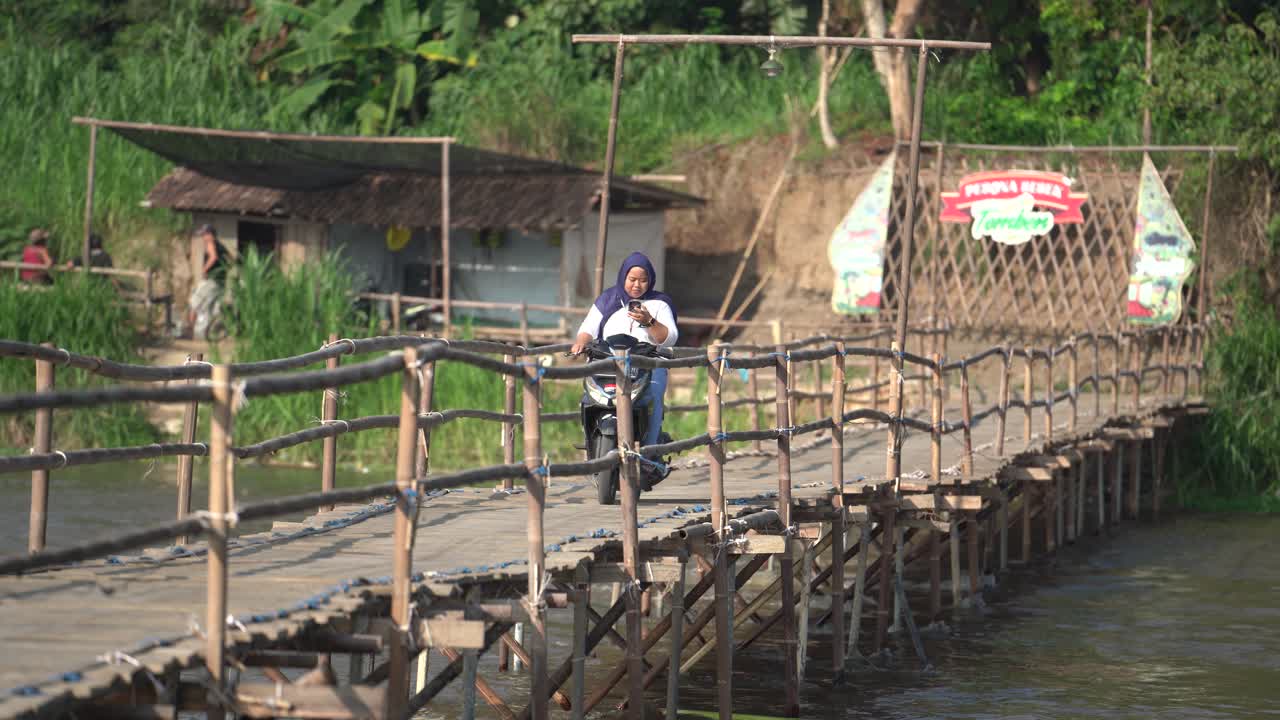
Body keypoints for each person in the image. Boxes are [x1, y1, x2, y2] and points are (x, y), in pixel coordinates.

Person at [571, 252, 679, 446]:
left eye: (643, 280)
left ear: (651, 280)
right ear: (623, 277)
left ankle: (650, 452)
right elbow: (588, 328)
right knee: (588, 396)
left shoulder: (660, 303)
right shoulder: (607, 299)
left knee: (654, 395)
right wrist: (581, 342)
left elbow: (669, 338)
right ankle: (590, 441)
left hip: (648, 366)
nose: (637, 285)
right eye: (632, 279)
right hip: (608, 365)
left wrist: (650, 322)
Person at [186, 224, 228, 338]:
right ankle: (209, 335)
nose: (203, 238)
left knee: (193, 303)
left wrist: (205, 269)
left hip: (212, 281)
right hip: (221, 283)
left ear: (210, 235)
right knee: (209, 309)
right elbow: (230, 261)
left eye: (204, 235)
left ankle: (189, 332)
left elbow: (213, 257)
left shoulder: (211, 243)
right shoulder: (222, 247)